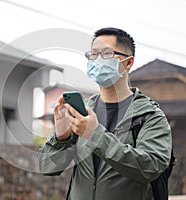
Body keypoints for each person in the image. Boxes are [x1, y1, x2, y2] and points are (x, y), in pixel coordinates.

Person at [38, 27, 172, 200]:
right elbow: (48, 167)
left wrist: (95, 135)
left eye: (107, 54)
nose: (98, 60)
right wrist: (60, 139)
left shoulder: (149, 116)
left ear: (128, 63)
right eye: (93, 54)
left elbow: (150, 168)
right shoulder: (82, 111)